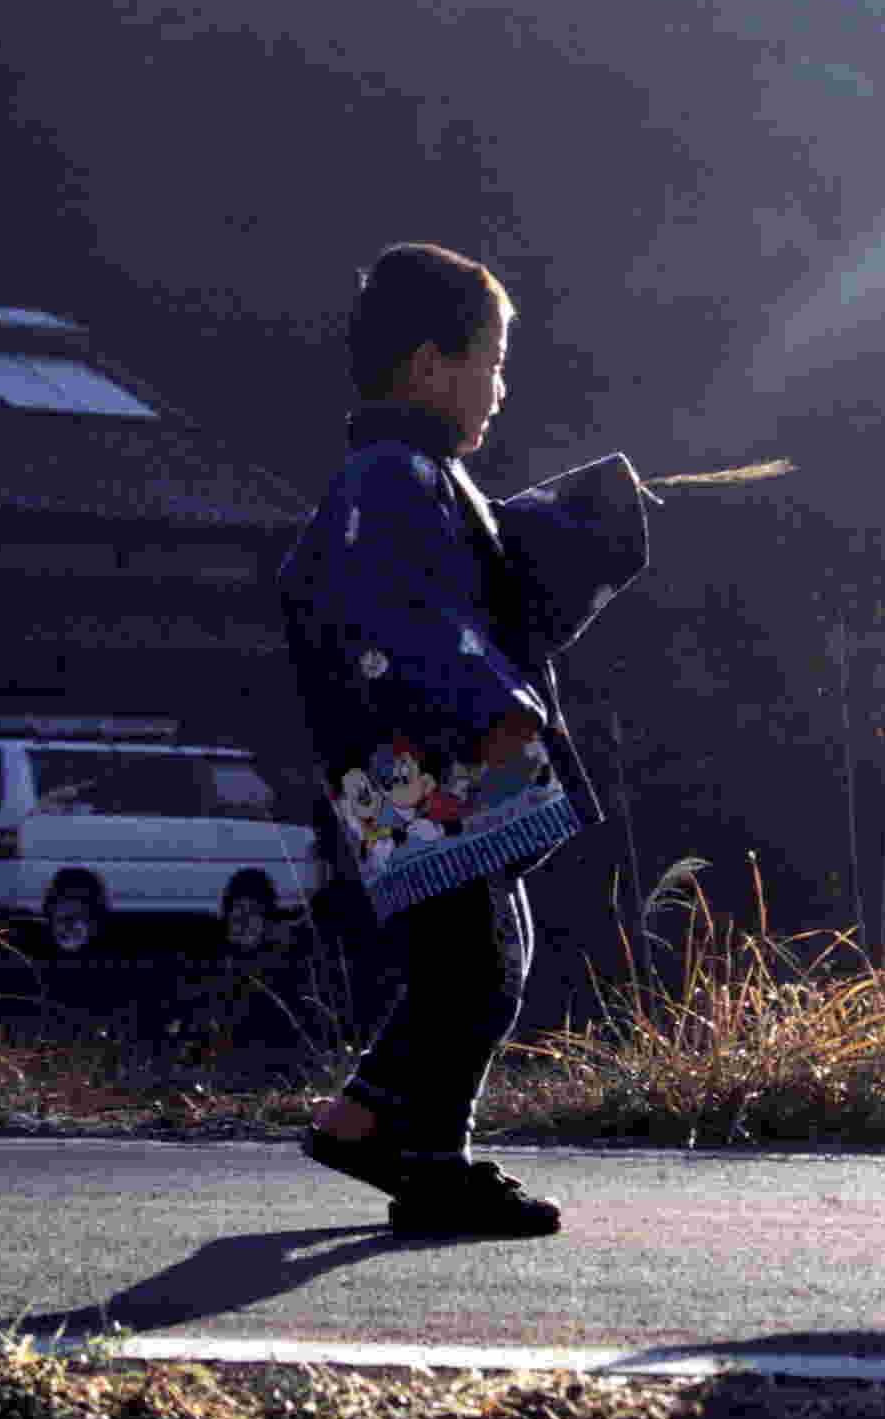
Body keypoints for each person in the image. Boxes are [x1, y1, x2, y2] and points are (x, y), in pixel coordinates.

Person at [277, 242, 647, 1237]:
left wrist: (587, 521)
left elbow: (483, 578)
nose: (498, 388)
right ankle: (434, 1162)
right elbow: (405, 611)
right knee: (477, 957)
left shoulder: (408, 475)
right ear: (429, 366)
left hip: (412, 761)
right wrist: (491, 702)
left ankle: (360, 1119)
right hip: (419, 763)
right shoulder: (394, 479)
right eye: (490, 363)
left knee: (477, 947)